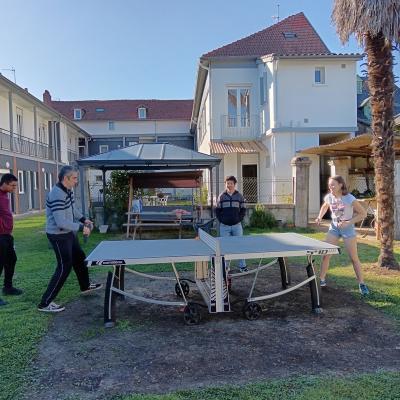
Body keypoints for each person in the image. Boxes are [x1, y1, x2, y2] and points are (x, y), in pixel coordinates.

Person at [38, 166, 102, 313]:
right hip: (58, 235)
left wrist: (84, 219)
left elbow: (72, 210)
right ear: (65, 178)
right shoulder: (57, 194)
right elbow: (61, 222)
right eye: (74, 178)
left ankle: (85, 286)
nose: (76, 180)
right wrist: (81, 227)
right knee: (64, 267)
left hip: (67, 233)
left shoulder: (68, 190)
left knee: (79, 257)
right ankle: (45, 303)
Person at [315, 175, 370, 295]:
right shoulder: (329, 197)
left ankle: (362, 284)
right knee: (326, 255)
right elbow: (325, 206)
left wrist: (348, 222)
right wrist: (319, 216)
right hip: (334, 228)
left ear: (340, 185)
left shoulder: (349, 198)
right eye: (329, 185)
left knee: (354, 258)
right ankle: (322, 280)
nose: (330, 187)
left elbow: (363, 214)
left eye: (333, 184)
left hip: (348, 229)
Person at [216, 175, 247, 272]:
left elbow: (243, 209)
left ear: (234, 184)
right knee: (225, 247)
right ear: (225, 184)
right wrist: (222, 220)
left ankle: (242, 266)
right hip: (224, 226)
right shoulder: (221, 196)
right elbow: (217, 210)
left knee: (240, 246)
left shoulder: (239, 196)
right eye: (227, 183)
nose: (229, 185)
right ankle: (226, 267)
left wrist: (239, 219)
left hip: (237, 226)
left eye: (231, 183)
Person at [0, 173, 22, 306]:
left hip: (7, 235)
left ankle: (7, 288)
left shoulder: (4, 195)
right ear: (5, 183)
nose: (14, 188)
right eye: (13, 186)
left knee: (11, 260)